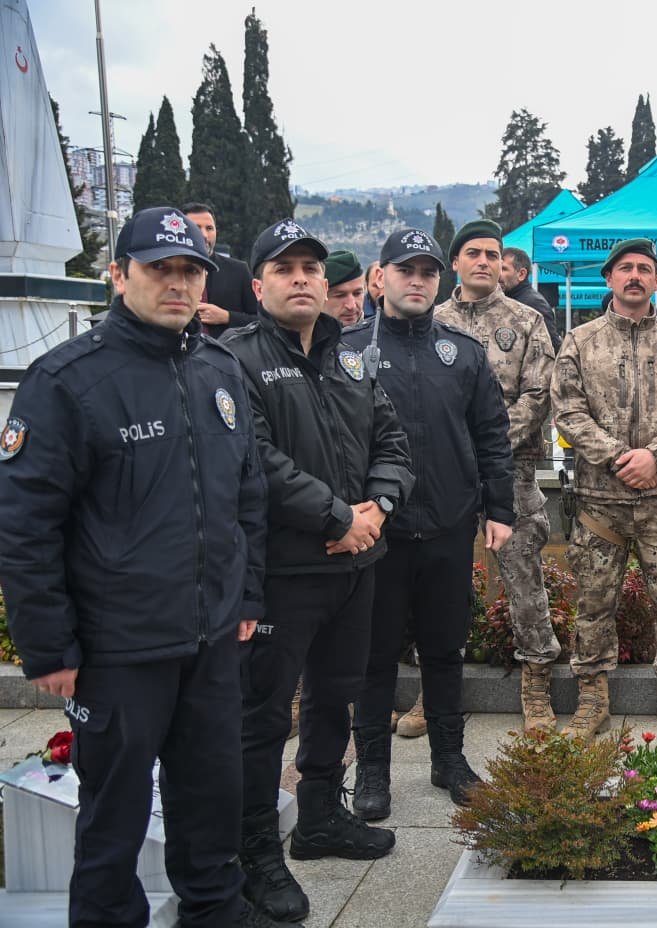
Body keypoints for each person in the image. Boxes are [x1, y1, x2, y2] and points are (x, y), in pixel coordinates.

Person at [0, 207, 281, 927]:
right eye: (160, 269)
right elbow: (26, 523)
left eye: (191, 270)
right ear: (119, 276)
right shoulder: (67, 380)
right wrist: (47, 646)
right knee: (114, 815)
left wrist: (247, 597)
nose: (178, 283)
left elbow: (247, 494)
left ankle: (214, 911)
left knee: (211, 796)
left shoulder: (219, 369)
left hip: (212, 639)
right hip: (119, 646)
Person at [221, 219, 414, 923]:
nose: (301, 278)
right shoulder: (233, 360)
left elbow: (392, 440)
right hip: (284, 572)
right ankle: (254, 853)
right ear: (258, 286)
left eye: (310, 267)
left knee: (338, 694)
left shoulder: (351, 356)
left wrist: (378, 508)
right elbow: (255, 460)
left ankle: (321, 817)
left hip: (358, 564)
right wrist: (338, 518)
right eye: (284, 268)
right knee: (264, 714)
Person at [344, 228, 514, 818]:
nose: (417, 281)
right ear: (380, 276)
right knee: (374, 656)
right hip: (377, 534)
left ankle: (449, 758)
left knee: (445, 649)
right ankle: (372, 771)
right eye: (405, 270)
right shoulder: (347, 351)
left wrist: (499, 508)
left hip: (447, 525)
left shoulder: (462, 352)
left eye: (428, 272)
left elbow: (492, 434)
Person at [551, 238, 657, 745]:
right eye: (625, 268)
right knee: (594, 602)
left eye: (645, 268)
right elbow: (567, 410)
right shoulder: (580, 342)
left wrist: (655, 457)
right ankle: (592, 699)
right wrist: (619, 457)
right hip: (601, 501)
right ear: (609, 278)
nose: (635, 276)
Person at [437, 220, 562, 732]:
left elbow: (539, 394)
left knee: (524, 577)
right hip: (445, 477)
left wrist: (485, 447)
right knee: (442, 582)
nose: (484, 262)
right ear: (456, 263)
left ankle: (537, 680)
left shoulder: (527, 320)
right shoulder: (432, 321)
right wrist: (457, 450)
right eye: (473, 253)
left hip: (512, 472)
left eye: (492, 254)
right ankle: (435, 685)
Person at [184, 202, 259, 338]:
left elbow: (262, 320)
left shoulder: (238, 271)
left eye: (209, 228)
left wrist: (227, 317)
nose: (204, 235)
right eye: (196, 228)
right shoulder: (169, 273)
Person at [500, 246, 562, 350]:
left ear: (521, 274)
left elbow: (552, 348)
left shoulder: (534, 304)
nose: (498, 274)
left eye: (503, 269)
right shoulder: (504, 299)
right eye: (497, 268)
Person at [324, 250, 367, 326]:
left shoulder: (379, 331)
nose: (351, 306)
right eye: (340, 295)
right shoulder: (304, 332)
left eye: (357, 294)